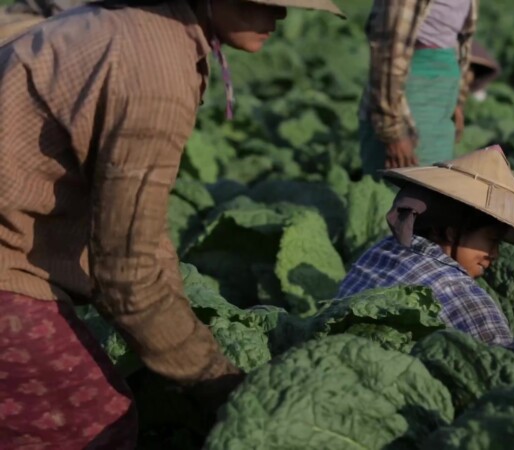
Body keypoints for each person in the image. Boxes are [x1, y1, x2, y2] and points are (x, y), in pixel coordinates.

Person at [0, 0, 344, 448]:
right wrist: (214, 380)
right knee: (92, 426)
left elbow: (139, 226)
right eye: (262, 2)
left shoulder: (136, 25)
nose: (278, 16)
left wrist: (179, 317)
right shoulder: (154, 71)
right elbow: (127, 273)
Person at [337, 145, 514, 348]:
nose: (494, 254)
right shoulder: (458, 292)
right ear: (451, 232)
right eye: (492, 240)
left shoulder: (381, 251)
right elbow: (502, 363)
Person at [358, 0, 478, 175]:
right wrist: (393, 131)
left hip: (441, 95)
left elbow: (457, 39)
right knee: (406, 190)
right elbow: (389, 49)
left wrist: (456, 98)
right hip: (408, 99)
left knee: (434, 189)